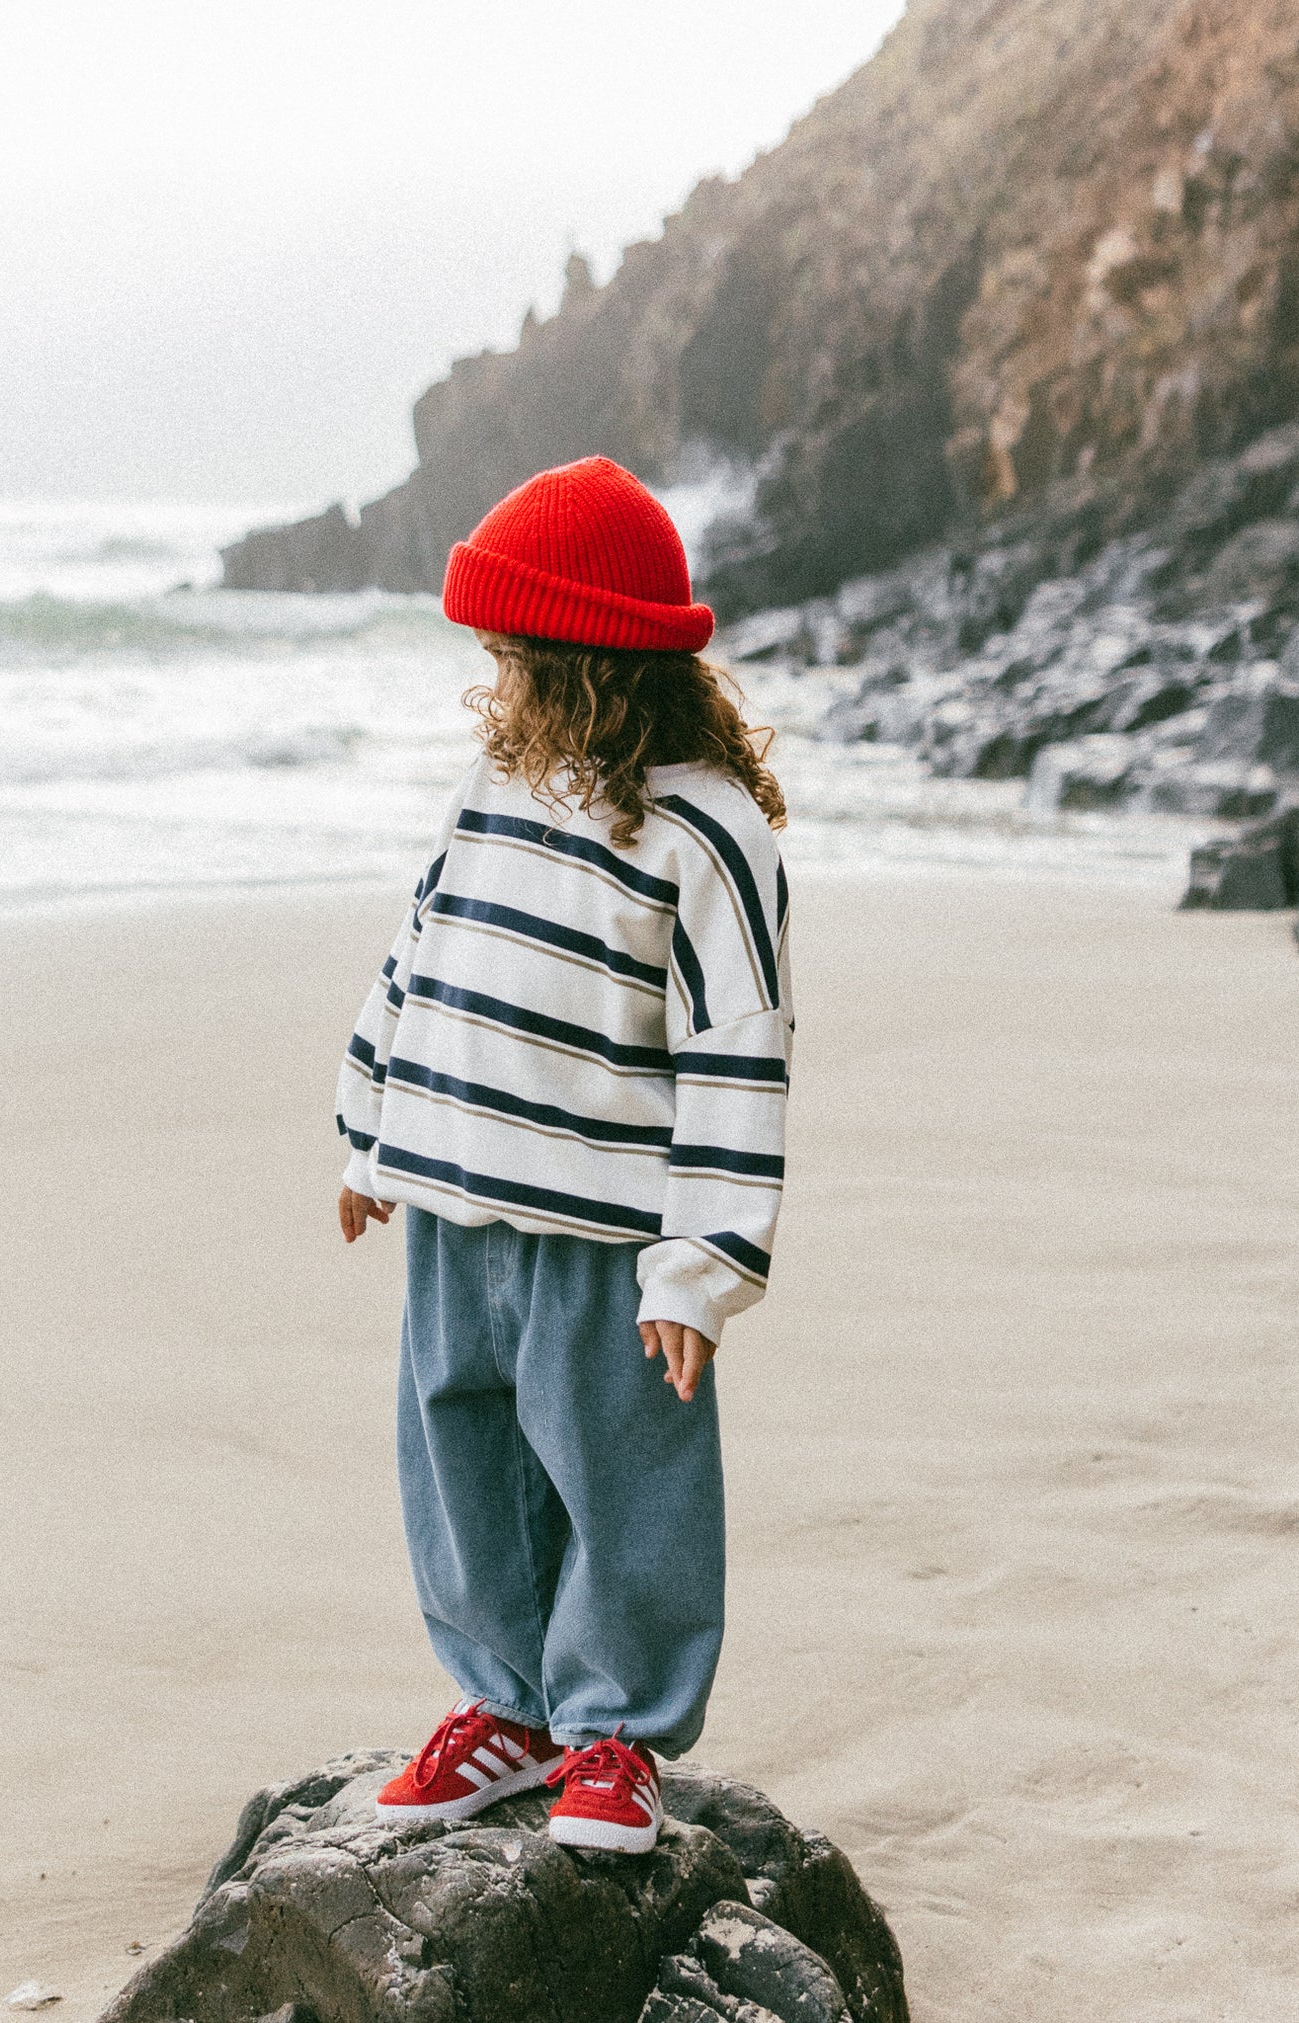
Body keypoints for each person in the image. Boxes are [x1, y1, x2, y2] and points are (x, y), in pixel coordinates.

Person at [336, 456, 792, 1855]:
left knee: (619, 1477)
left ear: (584, 660)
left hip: (606, 1231)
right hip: (451, 1202)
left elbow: (739, 1049)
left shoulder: (706, 827)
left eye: (512, 654)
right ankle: (510, 1711)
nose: (496, 679)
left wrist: (701, 1268)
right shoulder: (495, 784)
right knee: (459, 1449)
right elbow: (423, 947)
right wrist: (369, 1128)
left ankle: (615, 1731)